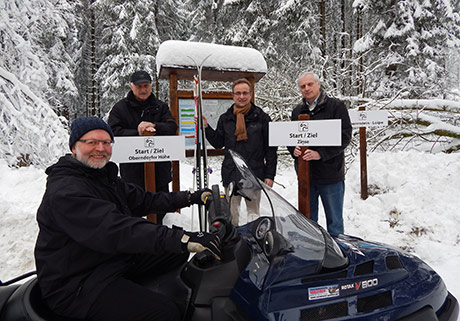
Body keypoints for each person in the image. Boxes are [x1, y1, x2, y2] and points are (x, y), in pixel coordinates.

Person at [34, 117, 220, 321]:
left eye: (106, 142)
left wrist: (189, 197)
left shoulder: (102, 177)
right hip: (77, 282)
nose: (100, 148)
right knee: (164, 313)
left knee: (173, 255)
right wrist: (182, 239)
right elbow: (116, 229)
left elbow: (144, 199)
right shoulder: (66, 191)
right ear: (74, 147)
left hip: (106, 259)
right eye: (92, 142)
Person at [200, 78, 277, 225]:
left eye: (245, 93)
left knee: (253, 215)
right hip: (231, 174)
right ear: (233, 95)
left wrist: (270, 174)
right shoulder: (226, 118)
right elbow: (218, 143)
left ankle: (253, 243)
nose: (241, 96)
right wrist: (207, 128)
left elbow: (270, 148)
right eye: (238, 93)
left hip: (253, 174)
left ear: (250, 94)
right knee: (232, 215)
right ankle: (234, 244)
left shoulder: (262, 118)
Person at [108, 70, 177, 224]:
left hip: (160, 171)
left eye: (146, 85)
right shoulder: (120, 108)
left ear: (151, 86)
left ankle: (158, 239)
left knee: (160, 208)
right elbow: (112, 132)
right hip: (132, 172)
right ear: (131, 86)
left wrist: (154, 126)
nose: (143, 89)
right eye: (139, 86)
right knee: (133, 210)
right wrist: (137, 132)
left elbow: (172, 127)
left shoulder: (160, 107)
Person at [288, 72, 352, 236]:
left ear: (318, 85)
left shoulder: (336, 107)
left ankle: (339, 255)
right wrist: (293, 150)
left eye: (310, 84)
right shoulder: (297, 111)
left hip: (330, 175)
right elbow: (291, 136)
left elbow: (344, 136)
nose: (306, 88)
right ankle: (312, 254)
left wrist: (320, 154)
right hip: (306, 176)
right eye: (303, 86)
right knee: (308, 223)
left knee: (335, 222)